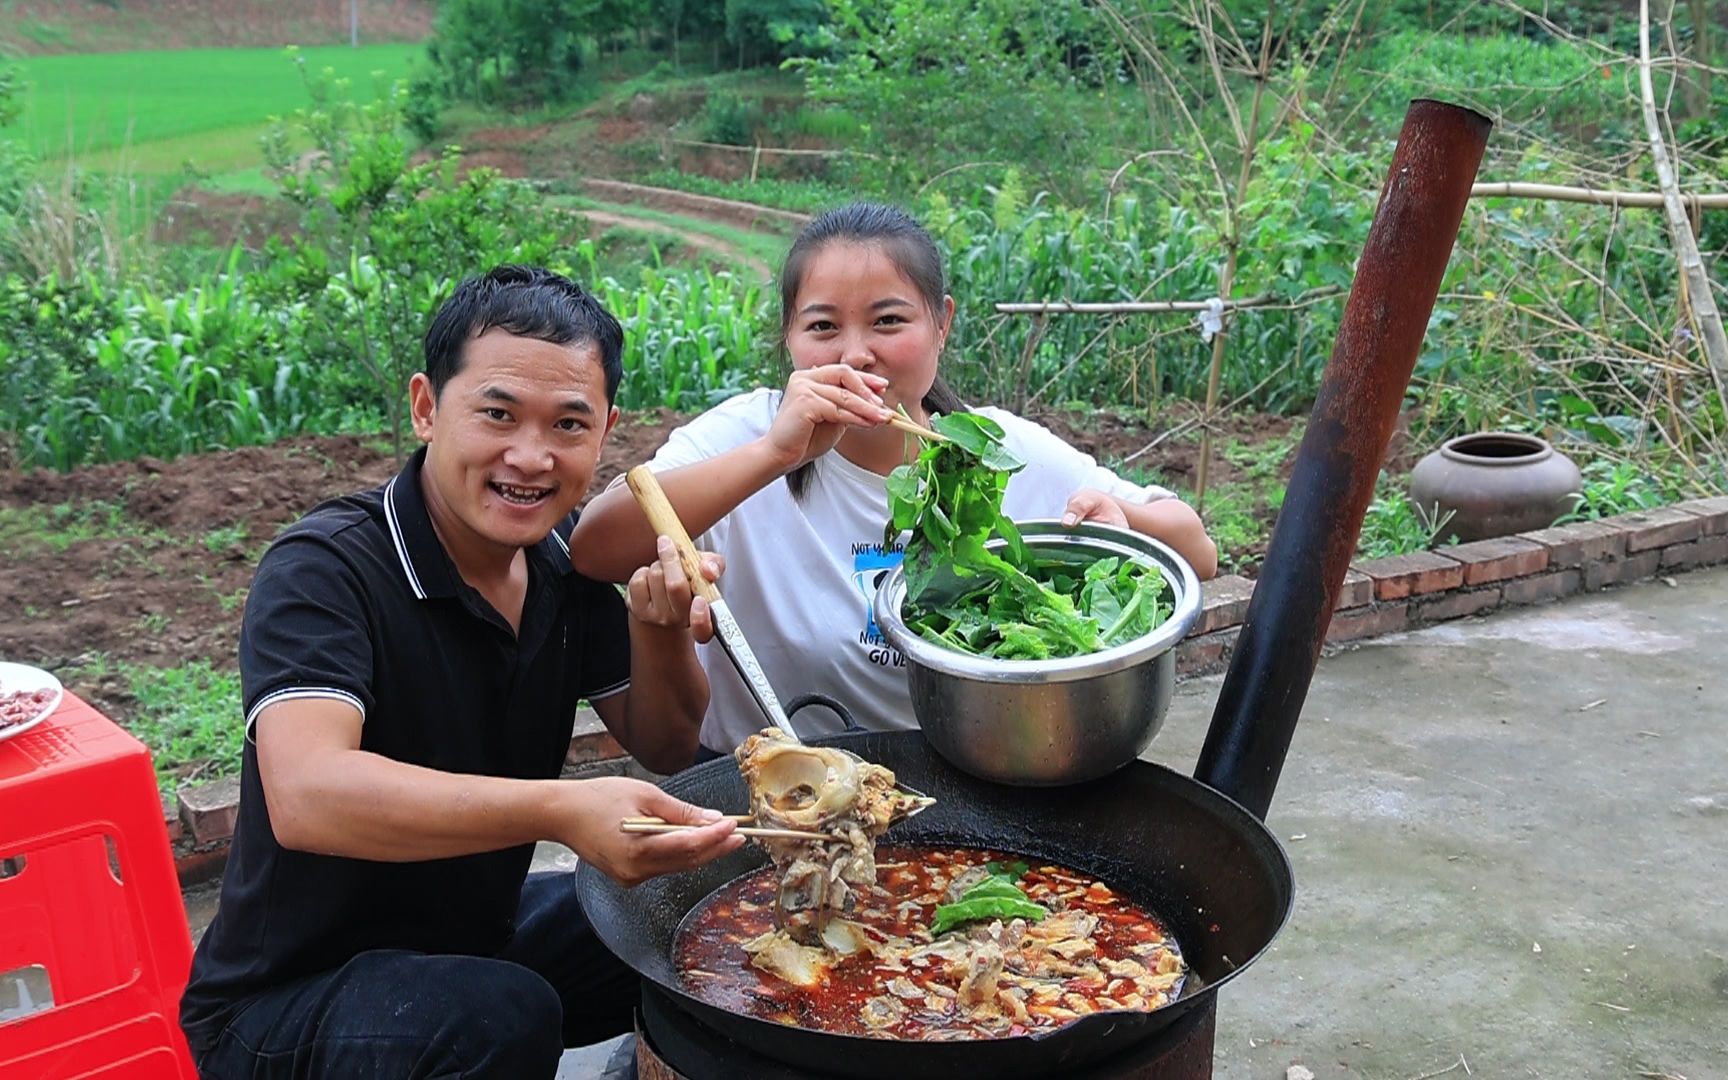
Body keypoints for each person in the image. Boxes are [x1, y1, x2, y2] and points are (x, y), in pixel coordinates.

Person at [179, 265, 743, 1079]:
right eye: (498, 414)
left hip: (469, 938)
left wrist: (657, 630)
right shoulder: (326, 567)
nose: (530, 456)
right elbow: (307, 796)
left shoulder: (562, 562)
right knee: (498, 1017)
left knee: (688, 908)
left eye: (568, 425)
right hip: (283, 1002)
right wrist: (560, 808)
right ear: (425, 407)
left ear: (606, 430)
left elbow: (662, 741)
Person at [571, 203, 1217, 758]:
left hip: (962, 790)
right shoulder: (746, 434)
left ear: (942, 323)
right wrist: (775, 454)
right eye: (822, 326)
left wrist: (1125, 523)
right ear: (789, 337)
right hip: (776, 793)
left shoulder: (989, 448)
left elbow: (1198, 551)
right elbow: (597, 547)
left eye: (888, 321)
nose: (856, 352)